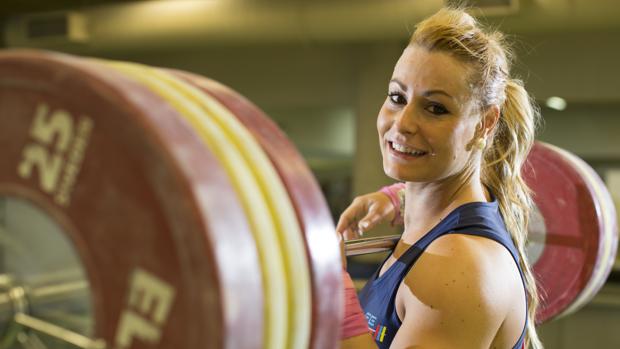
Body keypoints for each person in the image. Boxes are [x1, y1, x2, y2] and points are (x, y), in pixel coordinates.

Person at [336, 7, 543, 349]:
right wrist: (397, 196)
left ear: (485, 124)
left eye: (436, 109)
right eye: (397, 97)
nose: (402, 123)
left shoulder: (460, 267)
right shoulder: (444, 229)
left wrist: (331, 297)